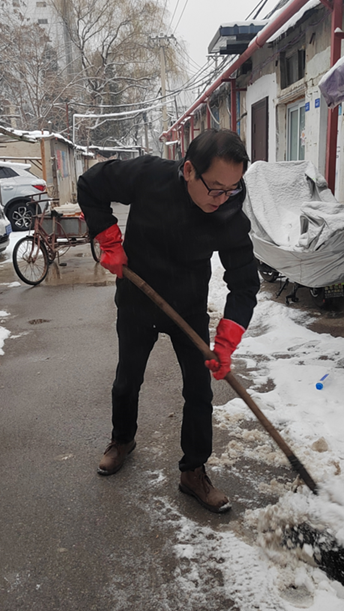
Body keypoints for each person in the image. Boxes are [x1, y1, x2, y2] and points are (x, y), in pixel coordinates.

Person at [77, 128, 259, 513]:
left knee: (199, 392)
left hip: (188, 309)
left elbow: (244, 283)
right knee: (128, 379)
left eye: (233, 189)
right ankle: (122, 439)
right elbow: (91, 183)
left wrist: (226, 340)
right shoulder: (149, 176)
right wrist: (109, 238)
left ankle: (193, 471)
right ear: (189, 170)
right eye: (216, 188)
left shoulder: (227, 212)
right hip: (138, 299)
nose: (224, 198)